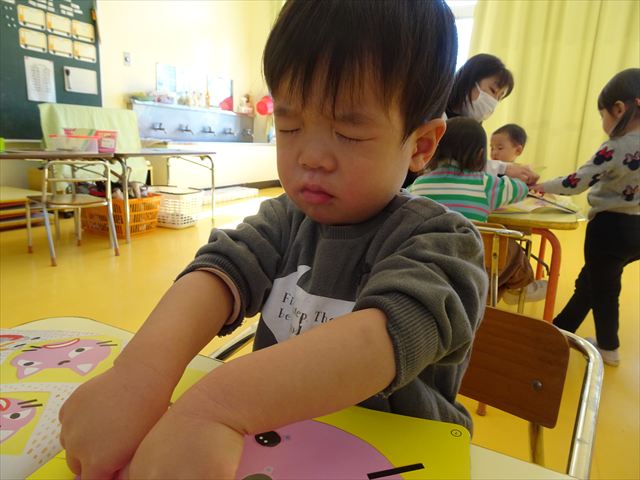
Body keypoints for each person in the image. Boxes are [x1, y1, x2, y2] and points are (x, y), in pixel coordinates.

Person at [58, 1, 488, 478]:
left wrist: (218, 407)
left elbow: (381, 337)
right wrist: (138, 376)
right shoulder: (286, 219)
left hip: (399, 458)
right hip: (278, 449)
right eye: (290, 127)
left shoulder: (444, 243)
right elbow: (217, 274)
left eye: (348, 133)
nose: (311, 156)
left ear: (421, 145)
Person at [530, 68, 640, 367]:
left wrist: (542, 186)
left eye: (602, 115)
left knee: (605, 288)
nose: (603, 122)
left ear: (619, 109)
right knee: (593, 278)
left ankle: (608, 347)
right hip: (636, 228)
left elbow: (576, 182)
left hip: (610, 228)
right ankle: (562, 328)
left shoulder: (617, 147)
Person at [409, 117, 547, 302]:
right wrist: (525, 183)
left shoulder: (419, 185)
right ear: (481, 154)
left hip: (425, 264)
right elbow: (519, 189)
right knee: (509, 247)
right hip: (471, 267)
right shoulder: (485, 184)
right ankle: (519, 289)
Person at [447, 54, 539, 185]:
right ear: (469, 80)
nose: (494, 102)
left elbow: (472, 167)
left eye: (499, 98)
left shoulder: (474, 130)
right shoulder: (437, 114)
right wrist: (504, 169)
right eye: (493, 90)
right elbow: (448, 166)